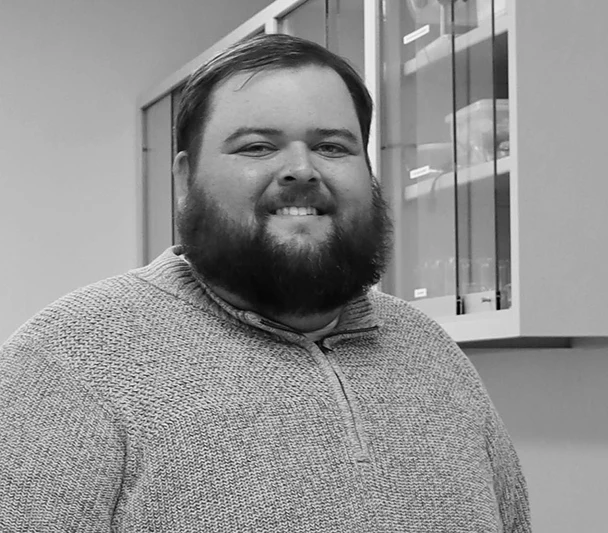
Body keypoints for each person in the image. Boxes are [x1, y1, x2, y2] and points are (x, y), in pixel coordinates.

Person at [0, 34, 531, 532]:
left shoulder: (432, 351)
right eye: (257, 147)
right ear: (186, 179)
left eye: (332, 147)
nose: (301, 170)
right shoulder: (62, 365)